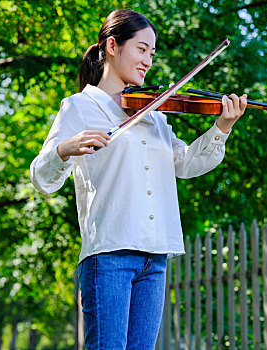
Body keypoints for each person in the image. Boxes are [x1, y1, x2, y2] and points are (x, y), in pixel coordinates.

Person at [30, 9, 247, 349]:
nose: (148, 60)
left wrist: (222, 128)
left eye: (152, 53)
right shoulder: (78, 107)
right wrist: (65, 149)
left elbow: (186, 163)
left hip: (156, 254)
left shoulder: (153, 116)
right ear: (113, 45)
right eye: (142, 49)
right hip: (109, 254)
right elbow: (42, 179)